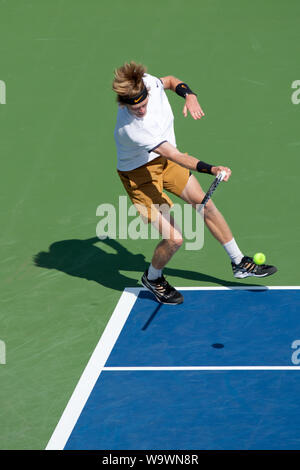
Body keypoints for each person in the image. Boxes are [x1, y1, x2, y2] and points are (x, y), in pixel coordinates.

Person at [112, 61, 277, 305]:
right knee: (175, 239)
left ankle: (239, 262)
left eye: (144, 105)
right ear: (125, 105)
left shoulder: (149, 83)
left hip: (164, 161)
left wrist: (189, 95)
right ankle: (153, 277)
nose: (142, 111)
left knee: (205, 205)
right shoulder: (133, 129)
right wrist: (212, 168)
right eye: (136, 109)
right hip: (140, 175)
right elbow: (177, 156)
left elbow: (168, 80)